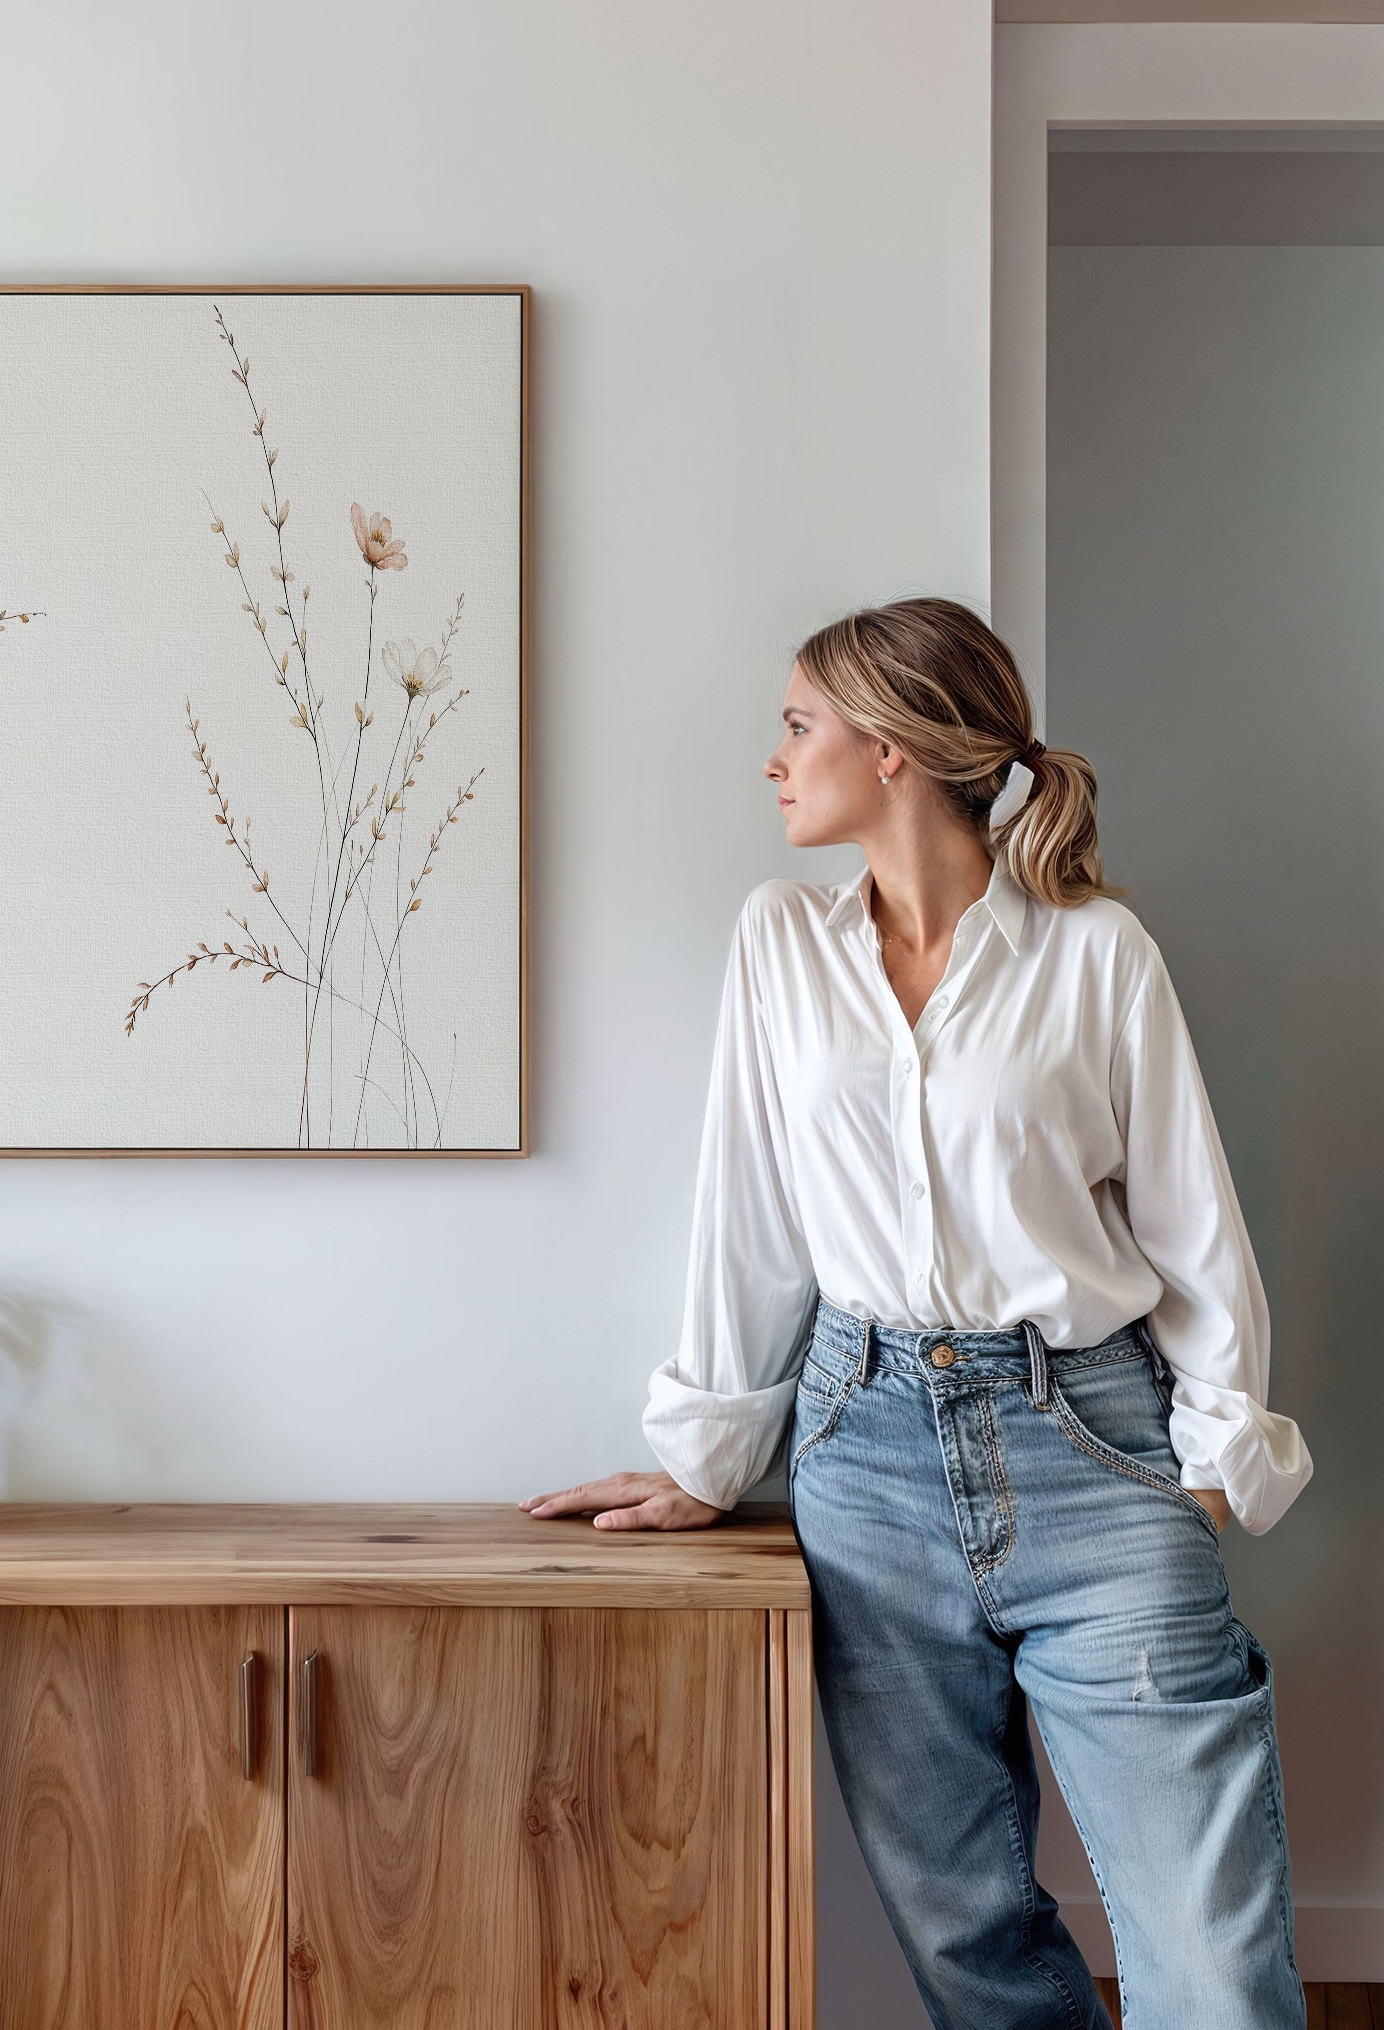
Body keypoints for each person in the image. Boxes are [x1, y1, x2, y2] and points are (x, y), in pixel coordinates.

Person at [520, 598, 1313, 2028]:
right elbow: (747, 1213)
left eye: (797, 724)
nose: (774, 758)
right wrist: (712, 1454)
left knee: (1210, 1956)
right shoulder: (780, 946)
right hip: (864, 1454)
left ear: (890, 750)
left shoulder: (1095, 954)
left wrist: (1209, 1461)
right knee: (968, 1942)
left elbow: (1194, 1224)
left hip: (1095, 1442)